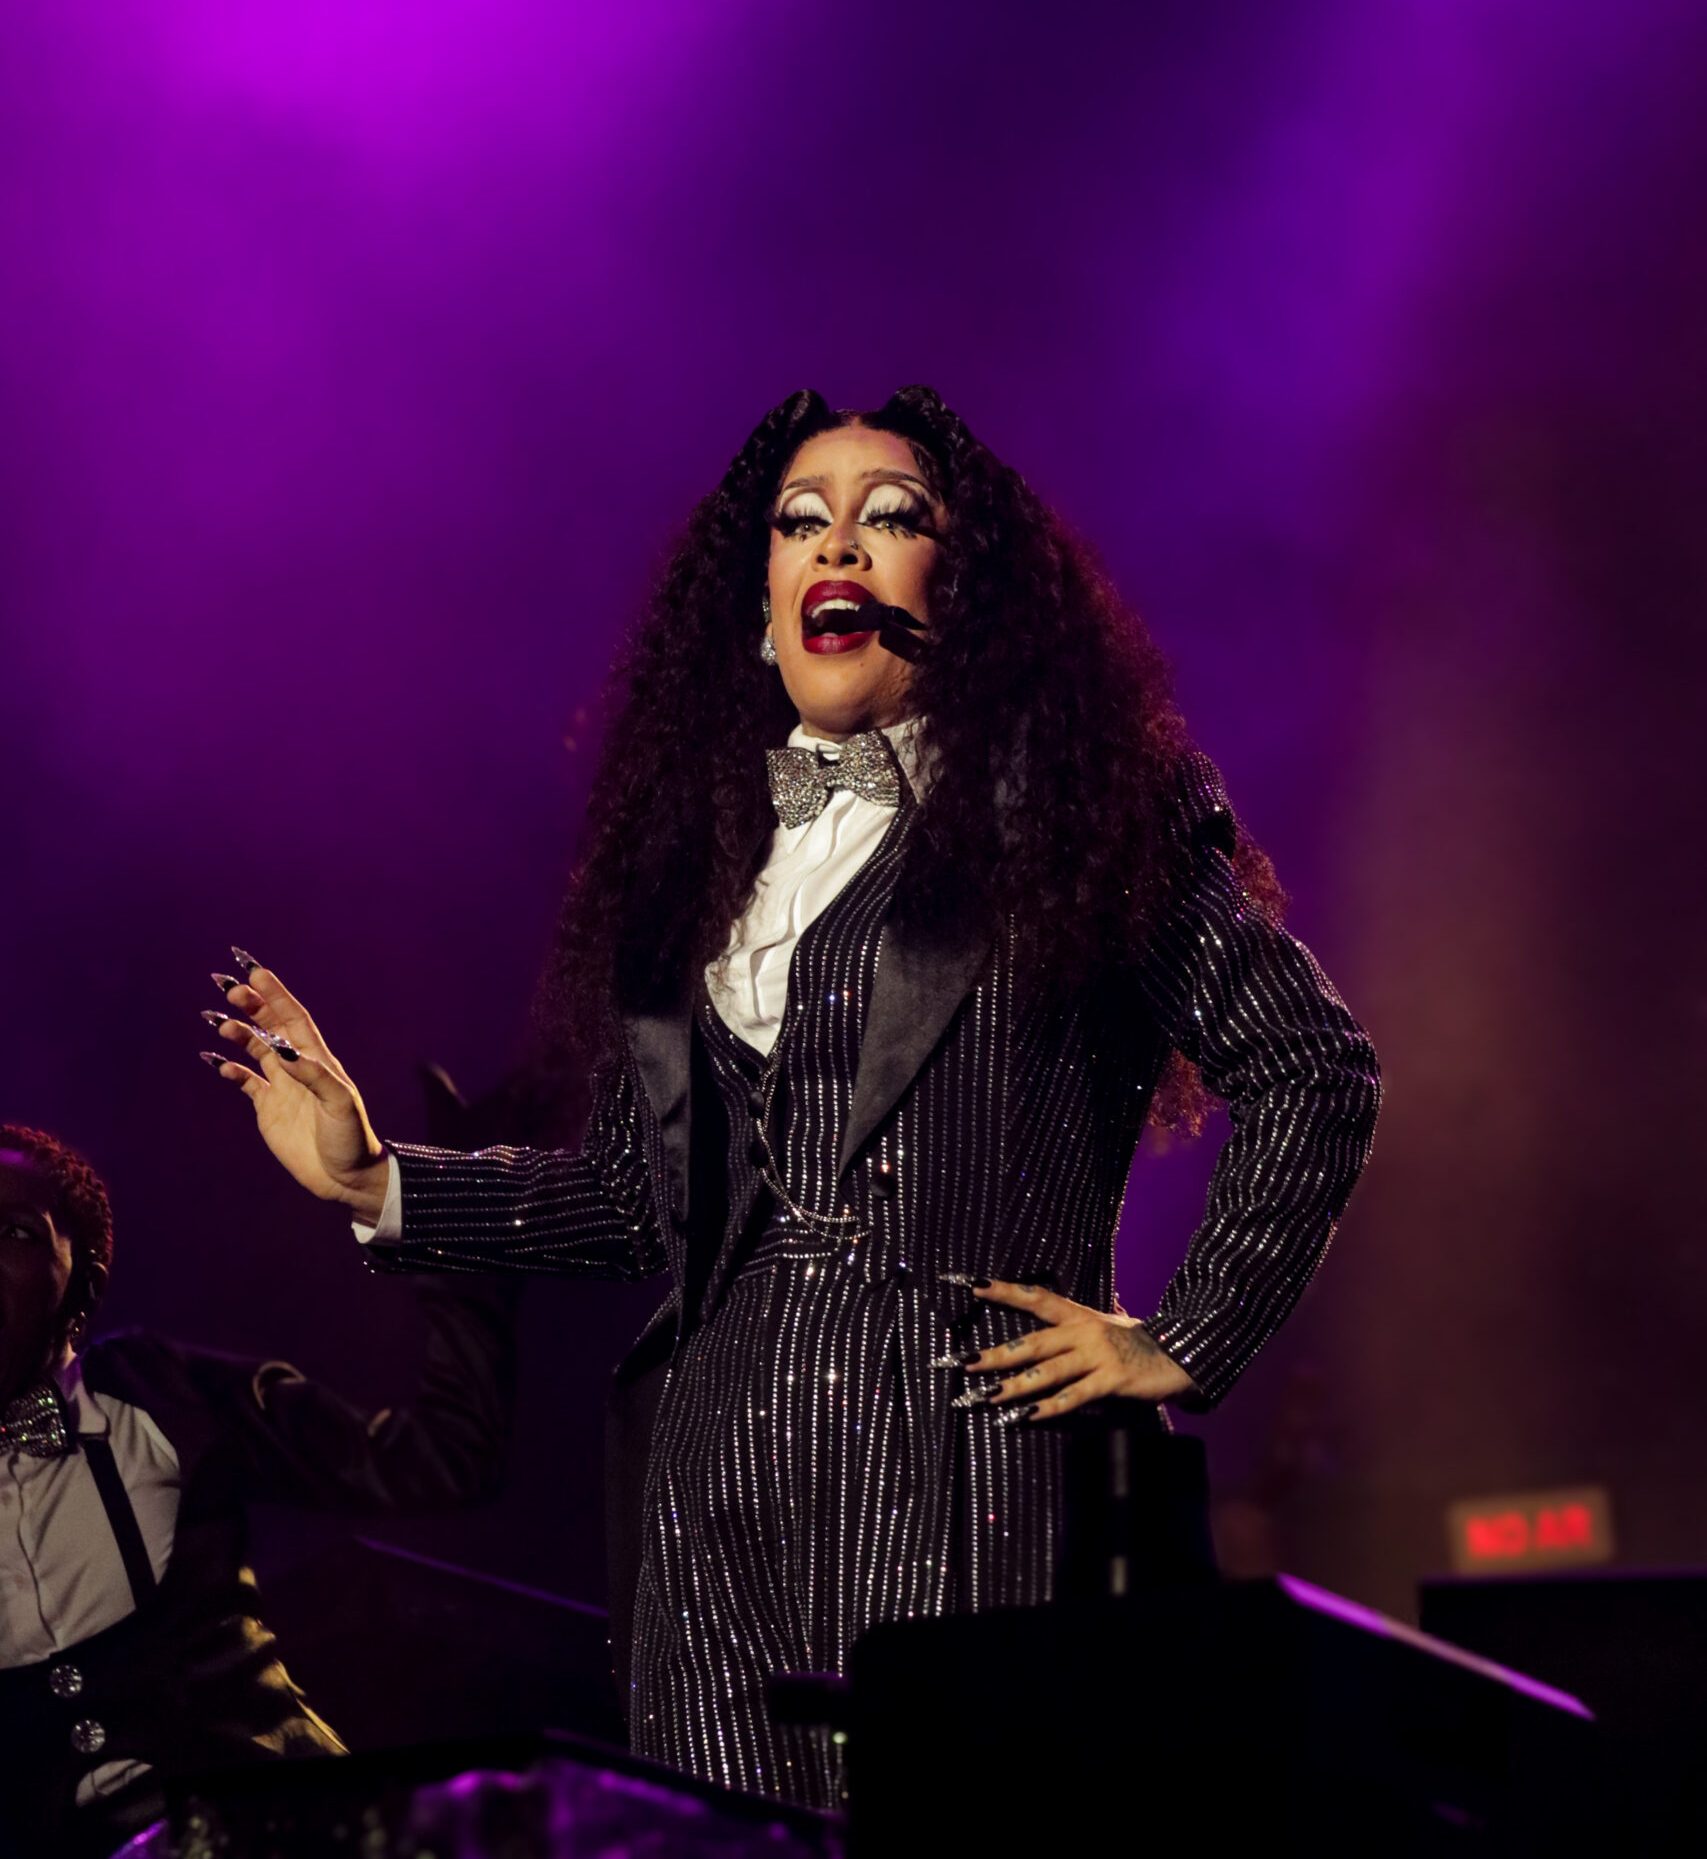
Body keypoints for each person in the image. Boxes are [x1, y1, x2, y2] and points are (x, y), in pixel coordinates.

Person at [207, 386, 1382, 1808]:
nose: (839, 543)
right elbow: (634, 1201)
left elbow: (1311, 1067)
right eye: (800, 521)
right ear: (763, 603)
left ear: (963, 591)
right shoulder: (702, 872)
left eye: (891, 518)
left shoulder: (1087, 815)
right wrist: (376, 1179)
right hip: (710, 1482)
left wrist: (1183, 1339)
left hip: (967, 1455)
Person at [0, 1118, 515, 1856]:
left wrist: (444, 1206)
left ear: (84, 1287)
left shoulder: (167, 1395)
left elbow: (444, 1459)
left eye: (15, 1233)